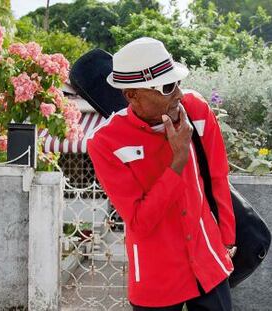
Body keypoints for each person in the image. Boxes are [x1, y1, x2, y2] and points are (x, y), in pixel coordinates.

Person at [87, 37, 237, 311]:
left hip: (208, 261)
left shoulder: (196, 110)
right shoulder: (106, 142)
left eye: (177, 82)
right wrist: (178, 160)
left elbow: (218, 176)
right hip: (156, 274)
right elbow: (140, 221)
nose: (178, 94)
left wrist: (227, 239)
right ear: (131, 94)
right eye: (167, 87)